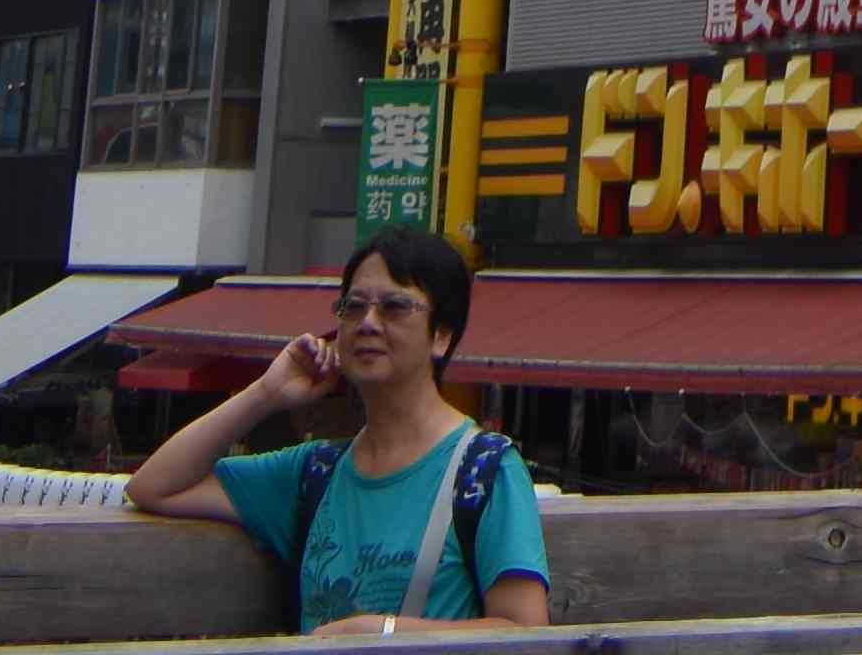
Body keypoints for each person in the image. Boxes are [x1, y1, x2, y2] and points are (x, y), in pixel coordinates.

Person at [127, 234, 549, 629]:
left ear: (441, 336)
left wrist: (381, 633)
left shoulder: (485, 471)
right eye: (353, 306)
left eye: (395, 307)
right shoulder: (315, 474)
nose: (368, 323)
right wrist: (266, 393)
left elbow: (526, 633)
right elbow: (153, 487)